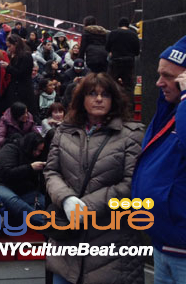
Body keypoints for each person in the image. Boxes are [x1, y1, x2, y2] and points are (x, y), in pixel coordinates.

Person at [44, 73, 144, 284]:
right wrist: (67, 199)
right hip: (67, 243)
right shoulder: (64, 131)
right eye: (92, 93)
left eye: (105, 94)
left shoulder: (131, 135)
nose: (98, 99)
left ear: (113, 99)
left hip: (111, 244)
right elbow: (51, 172)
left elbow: (131, 183)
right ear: (82, 99)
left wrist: (85, 207)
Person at [132, 35, 186, 282]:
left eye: (168, 76)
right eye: (159, 73)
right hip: (162, 244)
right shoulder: (168, 110)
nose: (158, 82)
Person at [0, 132, 46, 226]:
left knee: (42, 201)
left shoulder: (32, 156)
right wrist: (30, 168)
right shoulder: (10, 149)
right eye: (36, 150)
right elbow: (7, 173)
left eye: (40, 151)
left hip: (21, 189)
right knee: (15, 201)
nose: (37, 153)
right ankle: (45, 223)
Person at [3, 34, 39, 121]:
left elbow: (21, 73)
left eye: (10, 46)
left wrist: (7, 67)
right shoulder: (15, 55)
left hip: (23, 90)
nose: (9, 49)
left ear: (16, 44)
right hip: (15, 88)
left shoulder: (26, 56)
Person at [106, 17, 140, 96]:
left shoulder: (113, 33)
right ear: (128, 26)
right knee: (129, 86)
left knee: (110, 84)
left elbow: (107, 48)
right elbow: (137, 52)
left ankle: (112, 104)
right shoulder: (133, 35)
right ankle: (130, 106)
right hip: (128, 63)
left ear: (119, 25)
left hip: (115, 62)